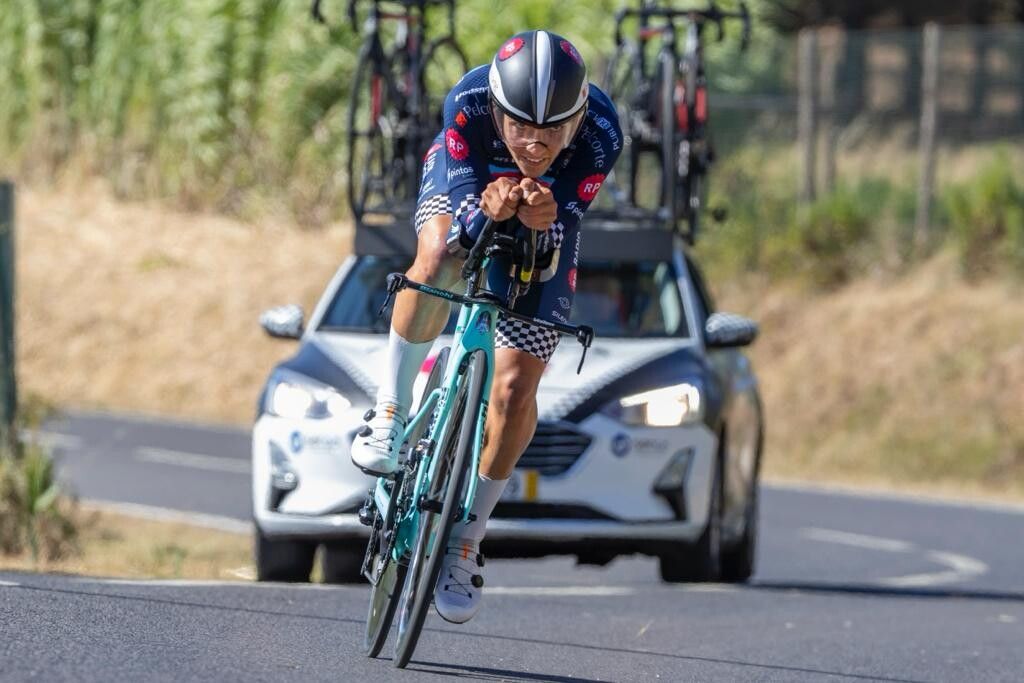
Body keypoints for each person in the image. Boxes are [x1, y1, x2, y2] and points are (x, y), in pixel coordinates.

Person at [351, 29, 622, 624]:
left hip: (545, 214)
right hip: (465, 182)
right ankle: (390, 410)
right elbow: (462, 229)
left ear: (577, 120)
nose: (534, 142)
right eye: (521, 125)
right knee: (438, 260)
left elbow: (557, 235)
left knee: (515, 387)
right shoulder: (467, 103)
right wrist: (489, 209)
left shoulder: (603, 133)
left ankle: (466, 538)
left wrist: (542, 216)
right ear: (498, 108)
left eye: (553, 130)